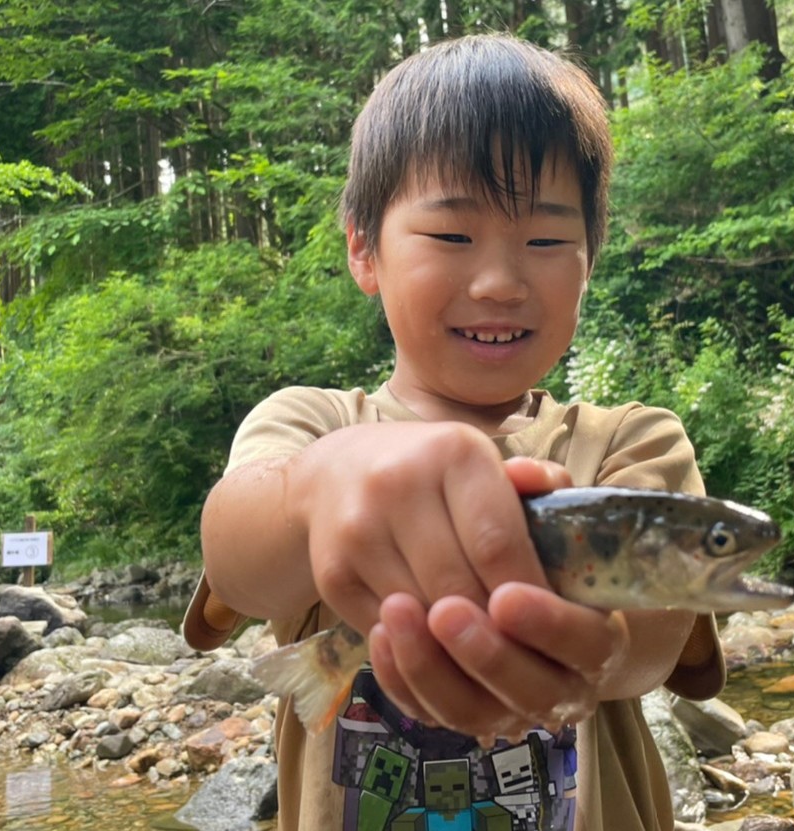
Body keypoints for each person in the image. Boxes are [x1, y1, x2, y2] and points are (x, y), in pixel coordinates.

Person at [182, 33, 725, 831]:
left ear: (589, 261)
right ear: (364, 249)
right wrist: (317, 489)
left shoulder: (633, 443)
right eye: (451, 236)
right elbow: (238, 560)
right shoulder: (311, 425)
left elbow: (650, 645)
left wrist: (588, 641)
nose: (500, 282)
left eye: (546, 240)